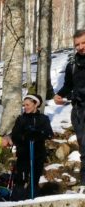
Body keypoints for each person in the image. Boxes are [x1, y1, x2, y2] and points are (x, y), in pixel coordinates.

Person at [4, 94, 54, 199]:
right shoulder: (21, 119)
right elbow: (15, 135)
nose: (25, 107)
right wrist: (24, 136)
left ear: (35, 104)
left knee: (34, 179)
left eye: (28, 105)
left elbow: (49, 134)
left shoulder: (43, 119)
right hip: (24, 154)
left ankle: (33, 198)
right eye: (24, 105)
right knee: (21, 179)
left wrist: (38, 134)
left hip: (38, 154)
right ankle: (16, 201)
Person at [54, 29, 85, 188]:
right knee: (83, 147)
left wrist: (75, 93)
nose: (80, 47)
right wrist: (59, 95)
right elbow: (67, 86)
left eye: (83, 43)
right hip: (78, 111)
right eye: (77, 45)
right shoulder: (72, 65)